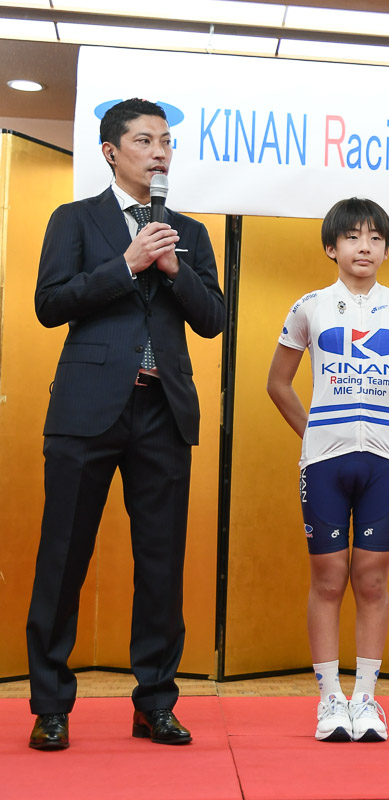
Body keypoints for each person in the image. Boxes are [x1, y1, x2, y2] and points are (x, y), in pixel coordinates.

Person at [26, 98, 225, 750]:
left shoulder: (188, 232)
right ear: (111, 152)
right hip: (86, 410)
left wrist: (172, 268)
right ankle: (50, 705)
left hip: (163, 411)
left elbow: (212, 319)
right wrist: (127, 265)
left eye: (166, 141)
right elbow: (50, 303)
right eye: (145, 140)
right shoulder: (74, 219)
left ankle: (155, 703)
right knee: (63, 558)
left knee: (161, 565)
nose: (160, 152)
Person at [267, 198, 389, 742]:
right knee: (329, 578)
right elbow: (278, 383)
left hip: (384, 461)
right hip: (324, 464)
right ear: (331, 247)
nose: (365, 247)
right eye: (353, 237)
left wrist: (377, 422)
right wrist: (317, 431)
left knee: (372, 578)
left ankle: (365, 699)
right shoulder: (309, 306)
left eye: (375, 238)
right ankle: (329, 699)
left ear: (386, 249)